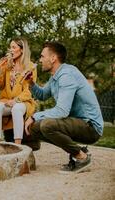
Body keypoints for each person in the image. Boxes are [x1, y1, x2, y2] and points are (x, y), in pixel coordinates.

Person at [24, 42, 103, 174]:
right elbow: (43, 95)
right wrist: (31, 83)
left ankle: (81, 158)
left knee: (47, 125)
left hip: (90, 127)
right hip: (74, 122)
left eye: (43, 56)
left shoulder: (66, 75)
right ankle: (78, 150)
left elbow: (62, 110)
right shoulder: (55, 76)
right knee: (35, 128)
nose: (40, 60)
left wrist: (33, 116)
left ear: (53, 58)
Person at [0, 37, 37, 144]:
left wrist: (16, 100)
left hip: (23, 102)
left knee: (16, 108)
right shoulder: (8, 66)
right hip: (6, 100)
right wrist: (2, 68)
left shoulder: (30, 66)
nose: (11, 50)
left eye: (14, 47)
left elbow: (29, 91)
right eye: (10, 47)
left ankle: (18, 144)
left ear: (21, 50)